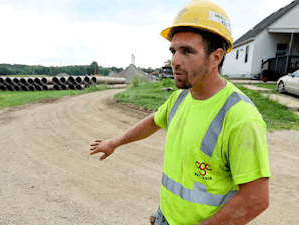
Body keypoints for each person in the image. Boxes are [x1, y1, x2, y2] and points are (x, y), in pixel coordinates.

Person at [90, 0, 271, 224]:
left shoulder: (240, 117)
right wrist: (115, 142)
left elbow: (256, 200)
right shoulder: (180, 97)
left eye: (187, 51)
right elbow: (154, 121)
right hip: (165, 216)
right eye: (174, 50)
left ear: (216, 57)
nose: (175, 61)